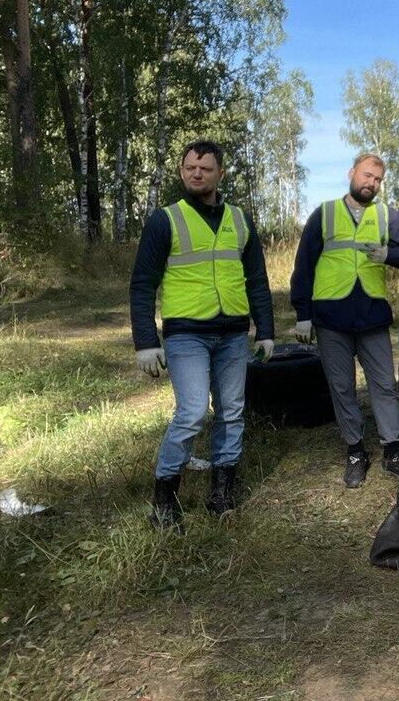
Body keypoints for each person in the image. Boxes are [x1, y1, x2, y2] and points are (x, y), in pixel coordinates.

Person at [130, 139, 275, 531]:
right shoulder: (165, 220)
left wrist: (266, 330)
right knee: (192, 412)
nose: (197, 174)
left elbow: (257, 280)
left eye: (205, 168)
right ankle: (164, 500)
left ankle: (221, 493)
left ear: (219, 174)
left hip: (232, 335)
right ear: (181, 172)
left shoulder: (241, 220)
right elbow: (143, 284)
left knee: (231, 411)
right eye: (190, 168)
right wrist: (146, 341)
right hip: (186, 334)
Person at [290, 153, 399, 487]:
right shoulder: (324, 214)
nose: (372, 183)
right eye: (367, 175)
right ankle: (355, 452)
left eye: (378, 180)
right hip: (329, 316)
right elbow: (303, 266)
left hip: (371, 315)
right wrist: (303, 315)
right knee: (342, 388)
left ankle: (393, 451)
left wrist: (389, 255)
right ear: (351, 173)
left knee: (383, 385)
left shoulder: (385, 216)